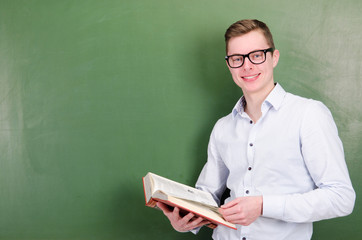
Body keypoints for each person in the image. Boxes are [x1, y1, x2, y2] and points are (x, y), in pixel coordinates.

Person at [157, 19, 355, 240]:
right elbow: (207, 195)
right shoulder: (223, 127)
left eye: (257, 55)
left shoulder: (308, 114)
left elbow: (341, 197)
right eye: (237, 58)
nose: (247, 66)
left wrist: (262, 206)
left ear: (274, 57)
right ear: (229, 65)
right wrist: (185, 219)